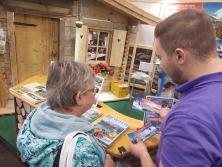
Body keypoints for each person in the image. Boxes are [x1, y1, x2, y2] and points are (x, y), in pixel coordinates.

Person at [130, 8, 222, 167]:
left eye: (160, 57)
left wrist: (143, 154)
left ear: (179, 56)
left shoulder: (187, 120)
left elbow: (195, 123)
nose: (160, 64)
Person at [17, 60, 115, 167]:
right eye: (93, 89)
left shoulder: (37, 114)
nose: (95, 93)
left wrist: (85, 131)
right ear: (79, 97)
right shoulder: (83, 153)